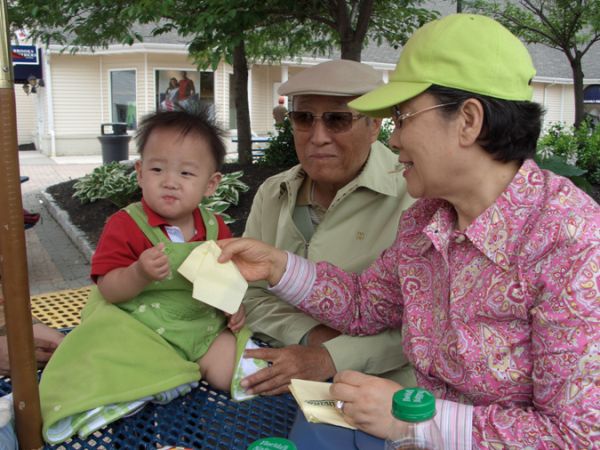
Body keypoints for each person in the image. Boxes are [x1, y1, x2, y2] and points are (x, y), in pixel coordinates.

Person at [218, 14, 600, 448]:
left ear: (468, 121)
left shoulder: (571, 242)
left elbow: (578, 436)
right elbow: (365, 306)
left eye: (402, 118)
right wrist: (277, 266)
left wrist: (411, 418)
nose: (394, 140)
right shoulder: (427, 220)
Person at [240, 59, 415, 397]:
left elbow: (428, 325)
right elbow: (249, 294)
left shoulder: (415, 197)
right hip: (278, 377)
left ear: (375, 124)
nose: (318, 137)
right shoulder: (273, 192)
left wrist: (328, 357)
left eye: (338, 119)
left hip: (383, 395)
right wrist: (311, 336)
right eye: (304, 118)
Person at [90, 107, 247, 392]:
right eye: (157, 169)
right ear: (139, 173)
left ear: (210, 184)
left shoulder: (215, 228)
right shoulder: (126, 224)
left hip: (200, 327)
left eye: (186, 173)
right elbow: (108, 290)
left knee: (237, 378)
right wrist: (138, 273)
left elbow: (225, 277)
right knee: (138, 383)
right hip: (143, 332)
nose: (170, 182)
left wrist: (232, 306)